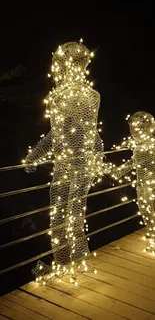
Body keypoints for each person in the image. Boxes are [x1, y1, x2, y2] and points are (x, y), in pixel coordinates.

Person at [24, 41, 104, 281]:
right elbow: (92, 133)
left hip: (67, 165)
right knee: (76, 214)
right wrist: (97, 157)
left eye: (57, 63)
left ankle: (64, 263)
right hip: (86, 164)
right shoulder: (93, 95)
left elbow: (56, 136)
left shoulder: (60, 96)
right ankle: (79, 261)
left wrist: (32, 157)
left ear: (63, 64)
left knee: (59, 216)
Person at [111, 111, 155, 253]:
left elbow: (133, 163)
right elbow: (133, 162)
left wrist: (117, 172)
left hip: (148, 187)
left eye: (137, 128)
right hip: (144, 186)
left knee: (148, 211)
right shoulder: (143, 146)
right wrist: (117, 172)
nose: (134, 132)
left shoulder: (145, 147)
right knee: (147, 211)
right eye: (133, 128)